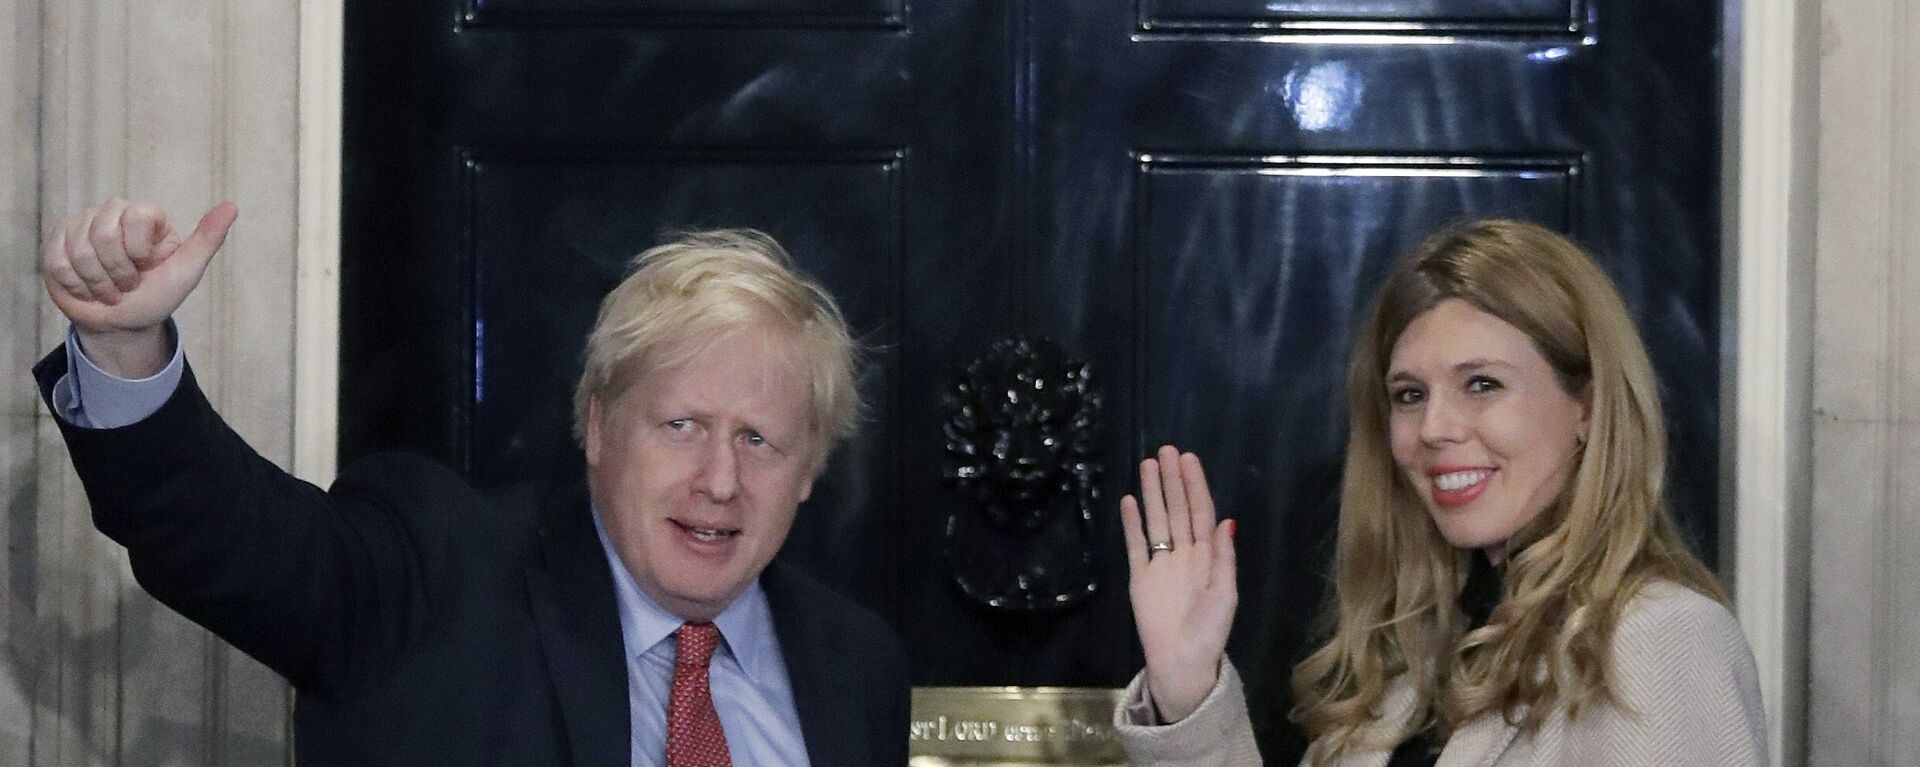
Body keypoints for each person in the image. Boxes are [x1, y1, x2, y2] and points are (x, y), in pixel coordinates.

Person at [33, 198, 909, 766]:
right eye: (682, 426)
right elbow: (228, 537)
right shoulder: (439, 572)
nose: (720, 480)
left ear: (810, 472)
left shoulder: (856, 665)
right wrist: (126, 352)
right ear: (598, 426)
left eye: (760, 440)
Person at [1110, 220, 1769, 765]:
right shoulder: (1410, 658)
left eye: (1481, 383)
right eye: (1409, 394)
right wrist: (1188, 691)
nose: (1434, 428)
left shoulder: (1657, 638)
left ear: (1588, 407)